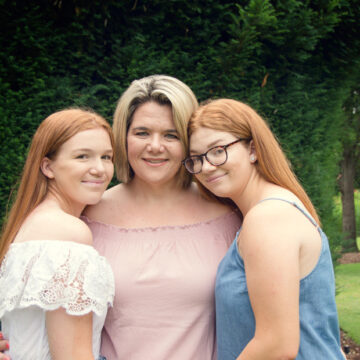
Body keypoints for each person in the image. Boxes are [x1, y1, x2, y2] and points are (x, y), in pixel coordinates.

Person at [81, 75, 242, 359]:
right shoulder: (86, 215)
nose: (155, 146)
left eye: (171, 135)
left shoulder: (229, 215)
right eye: (142, 133)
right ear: (123, 136)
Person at [183, 98, 345, 359]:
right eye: (197, 158)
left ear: (253, 149)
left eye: (218, 150)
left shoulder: (268, 218)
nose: (207, 166)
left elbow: (277, 344)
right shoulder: (267, 212)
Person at [0, 109, 115, 360]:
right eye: (82, 156)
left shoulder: (31, 224)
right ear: (48, 167)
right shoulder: (67, 233)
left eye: (107, 157)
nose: (100, 169)